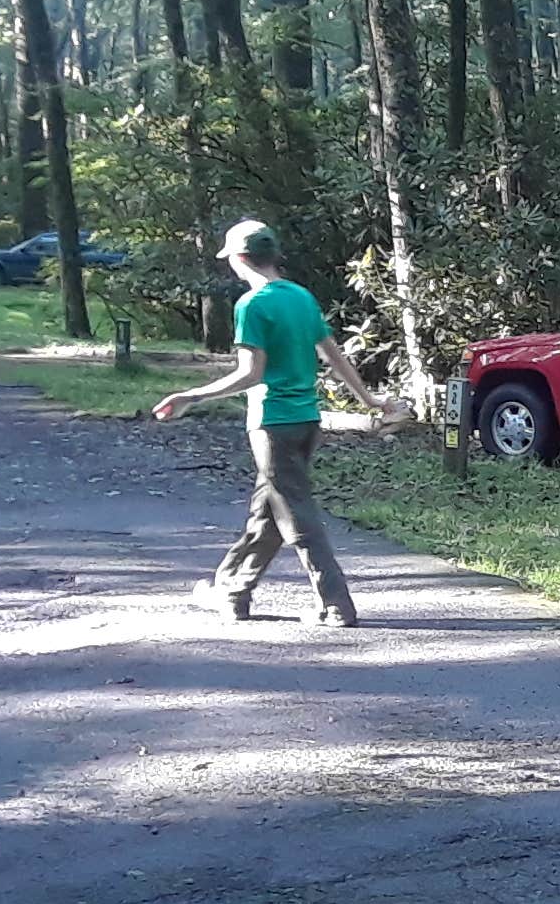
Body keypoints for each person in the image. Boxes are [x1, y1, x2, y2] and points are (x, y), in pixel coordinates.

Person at [152, 219, 406, 627]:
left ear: (238, 259)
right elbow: (333, 354)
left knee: (296, 515)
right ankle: (232, 592)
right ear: (274, 257)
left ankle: (336, 604)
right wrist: (369, 399)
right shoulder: (300, 297)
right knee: (267, 512)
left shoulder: (252, 305)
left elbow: (251, 374)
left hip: (272, 425)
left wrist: (190, 396)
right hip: (307, 421)